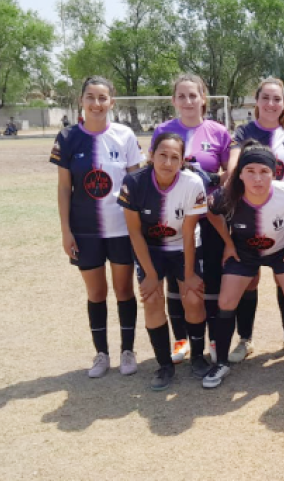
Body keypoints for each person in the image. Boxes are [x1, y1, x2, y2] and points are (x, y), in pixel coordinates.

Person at [204, 142, 284, 388]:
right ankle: (222, 362)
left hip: (282, 250)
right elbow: (211, 212)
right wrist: (228, 243)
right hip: (244, 252)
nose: (257, 178)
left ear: (274, 173)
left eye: (264, 171)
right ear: (240, 174)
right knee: (226, 302)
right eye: (250, 171)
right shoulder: (228, 194)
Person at [50, 75, 143, 379]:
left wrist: (140, 227)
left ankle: (127, 351)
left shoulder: (125, 135)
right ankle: (101, 353)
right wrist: (66, 231)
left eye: (102, 98)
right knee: (96, 292)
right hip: (85, 230)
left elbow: (136, 183)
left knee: (124, 290)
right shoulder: (67, 138)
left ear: (111, 102)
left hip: (121, 229)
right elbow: (64, 188)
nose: (96, 103)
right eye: (90, 97)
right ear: (81, 100)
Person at [151, 73, 234, 367]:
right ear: (174, 100)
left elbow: (229, 172)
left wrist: (214, 184)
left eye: (193, 95)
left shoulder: (218, 132)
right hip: (172, 218)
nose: (188, 101)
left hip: (209, 218)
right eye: (182, 96)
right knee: (177, 281)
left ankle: (212, 340)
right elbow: (154, 169)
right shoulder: (162, 130)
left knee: (209, 278)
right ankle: (181, 340)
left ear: (203, 99)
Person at [119, 132, 209, 391]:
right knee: (152, 300)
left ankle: (198, 357)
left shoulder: (193, 183)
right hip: (151, 248)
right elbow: (134, 232)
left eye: (174, 157)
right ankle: (164, 365)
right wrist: (150, 275)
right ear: (151, 155)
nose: (167, 162)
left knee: (193, 298)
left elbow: (189, 233)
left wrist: (189, 275)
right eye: (162, 155)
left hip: (183, 246)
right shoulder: (134, 182)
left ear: (182, 161)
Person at [229, 78, 284, 364]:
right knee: (249, 279)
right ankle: (245, 339)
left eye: (277, 99)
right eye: (266, 98)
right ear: (257, 100)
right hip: (247, 215)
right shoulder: (244, 132)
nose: (271, 104)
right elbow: (234, 166)